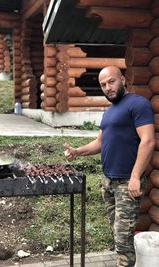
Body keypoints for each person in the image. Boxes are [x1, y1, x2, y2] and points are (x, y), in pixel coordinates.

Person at [64, 66, 155, 267]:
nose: (107, 87)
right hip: (109, 182)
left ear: (123, 79)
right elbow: (100, 143)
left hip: (126, 182)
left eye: (111, 81)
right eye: (103, 85)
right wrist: (77, 151)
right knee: (117, 233)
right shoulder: (109, 112)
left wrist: (135, 176)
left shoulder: (138, 104)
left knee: (122, 240)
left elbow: (148, 141)